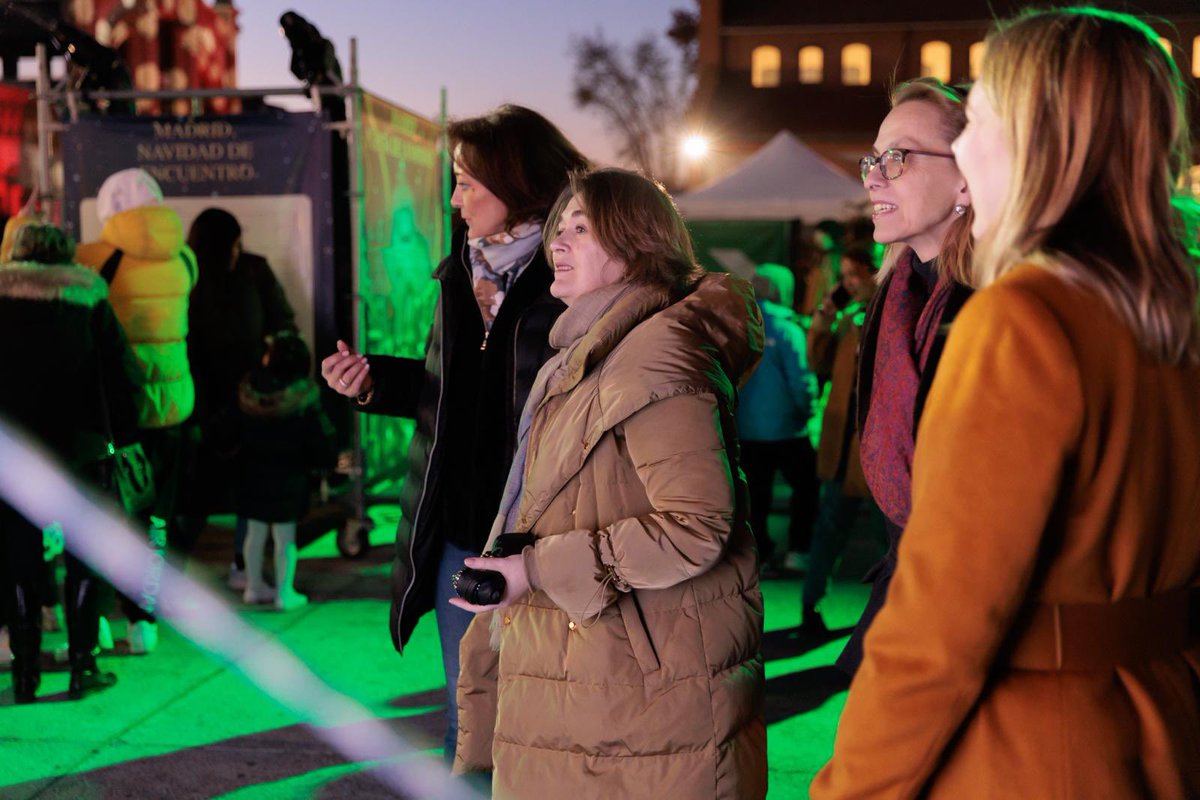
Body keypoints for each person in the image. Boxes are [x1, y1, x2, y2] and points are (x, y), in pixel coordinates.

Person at [813, 8, 1200, 798]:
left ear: (1036, 136)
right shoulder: (1171, 303)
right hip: (1158, 723)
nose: (965, 142)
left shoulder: (1024, 315)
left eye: (979, 118)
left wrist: (847, 788)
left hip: (1031, 741)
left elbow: (937, 626)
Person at [449, 168, 767, 797]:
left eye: (581, 228)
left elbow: (696, 526)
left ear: (637, 244)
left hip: (631, 697)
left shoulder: (657, 352)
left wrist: (535, 570)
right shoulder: (590, 349)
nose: (557, 244)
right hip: (592, 679)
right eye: (557, 228)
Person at [319, 104, 588, 761]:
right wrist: (372, 381)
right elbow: (454, 395)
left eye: (469, 182)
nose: (454, 197)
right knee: (467, 723)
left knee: (549, 733)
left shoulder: (576, 280)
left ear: (517, 184)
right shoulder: (461, 275)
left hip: (548, 545)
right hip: (462, 535)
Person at [840, 76, 975, 674]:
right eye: (873, 158)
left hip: (966, 619)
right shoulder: (897, 296)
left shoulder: (1001, 304)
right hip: (903, 588)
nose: (873, 176)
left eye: (898, 157)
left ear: (968, 175)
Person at [0, 223, 142, 702]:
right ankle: (83, 667)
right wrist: (124, 438)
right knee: (86, 557)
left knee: (19, 562)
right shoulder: (89, 299)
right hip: (80, 451)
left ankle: (24, 674)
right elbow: (123, 376)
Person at [75, 167, 197, 655]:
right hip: (172, 408)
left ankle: (97, 621)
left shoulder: (93, 259)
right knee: (154, 519)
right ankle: (143, 621)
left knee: (101, 517)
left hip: (114, 415)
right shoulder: (185, 257)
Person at [181, 207, 297, 581]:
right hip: (205, 400)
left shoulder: (252, 269)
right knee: (198, 494)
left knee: (247, 489)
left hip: (247, 400)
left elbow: (283, 322)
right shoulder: (186, 274)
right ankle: (169, 574)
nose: (237, 249)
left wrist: (273, 356)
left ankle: (243, 566)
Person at [802, 245, 882, 634]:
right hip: (845, 442)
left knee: (893, 539)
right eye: (845, 276)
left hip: (879, 445)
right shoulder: (849, 319)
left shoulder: (889, 311)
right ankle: (810, 606)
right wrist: (823, 320)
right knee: (829, 529)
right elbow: (817, 363)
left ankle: (891, 618)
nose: (850, 283)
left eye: (856, 275)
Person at [235, 332, 336, 611]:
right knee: (285, 539)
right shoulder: (303, 396)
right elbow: (321, 440)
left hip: (252, 474)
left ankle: (252, 586)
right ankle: (284, 591)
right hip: (289, 477)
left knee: (254, 534)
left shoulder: (248, 389)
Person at [737, 262, 818, 573]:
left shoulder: (738, 325)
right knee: (806, 487)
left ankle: (761, 553)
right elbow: (801, 379)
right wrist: (808, 412)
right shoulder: (788, 330)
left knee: (755, 494)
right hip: (788, 429)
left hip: (746, 429)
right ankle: (798, 550)